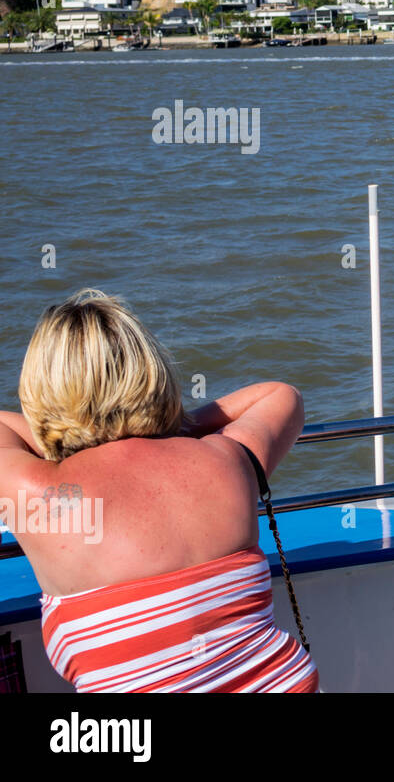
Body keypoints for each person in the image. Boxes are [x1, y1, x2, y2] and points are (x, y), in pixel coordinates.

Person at [0, 289, 318, 692]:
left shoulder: (39, 492)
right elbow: (280, 395)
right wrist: (176, 426)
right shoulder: (224, 459)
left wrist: (77, 432)